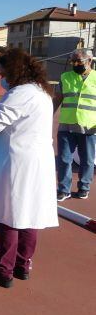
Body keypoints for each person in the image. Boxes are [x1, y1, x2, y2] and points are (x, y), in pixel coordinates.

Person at [0, 49, 58, 288]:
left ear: (14, 71)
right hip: (35, 160)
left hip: (17, 161)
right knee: (29, 215)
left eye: (3, 73)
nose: (2, 78)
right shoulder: (41, 91)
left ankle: (3, 270)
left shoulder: (20, 93)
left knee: (9, 215)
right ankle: (23, 264)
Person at [53, 49, 96, 201]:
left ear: (89, 61)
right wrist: (47, 116)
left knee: (88, 160)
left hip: (90, 127)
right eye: (73, 62)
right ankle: (64, 190)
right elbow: (57, 99)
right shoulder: (65, 77)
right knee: (64, 159)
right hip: (66, 125)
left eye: (79, 62)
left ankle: (84, 188)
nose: (75, 65)